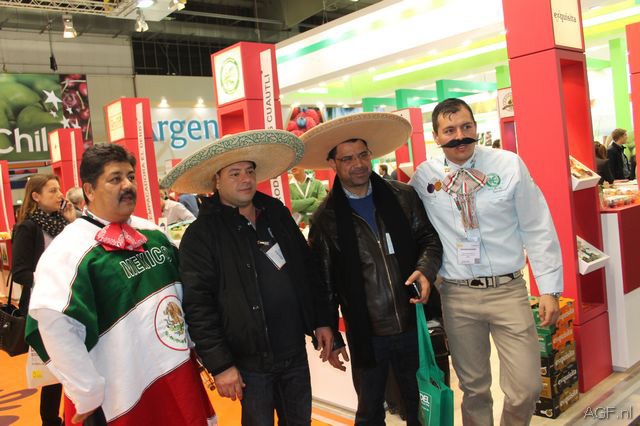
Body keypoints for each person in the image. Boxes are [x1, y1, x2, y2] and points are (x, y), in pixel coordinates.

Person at [25, 144, 216, 425]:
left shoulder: (152, 233)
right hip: (120, 394)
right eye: (115, 179)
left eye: (130, 177)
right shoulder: (69, 252)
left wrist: (197, 346)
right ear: (89, 190)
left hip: (176, 375)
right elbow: (53, 323)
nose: (127, 185)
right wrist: (86, 390)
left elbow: (185, 296)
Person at [162, 129, 334, 425]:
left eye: (250, 171)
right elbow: (198, 306)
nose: (245, 179)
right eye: (235, 173)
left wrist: (322, 320)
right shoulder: (202, 235)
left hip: (293, 352)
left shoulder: (276, 214)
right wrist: (220, 365)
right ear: (216, 180)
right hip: (248, 364)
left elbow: (307, 270)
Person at [410, 98, 563, 425]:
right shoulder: (425, 177)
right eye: (449, 130)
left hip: (508, 291)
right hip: (457, 296)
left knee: (526, 388)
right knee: (474, 389)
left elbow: (537, 226)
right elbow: (410, 225)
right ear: (436, 137)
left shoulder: (508, 165)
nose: (460, 136)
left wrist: (549, 289)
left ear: (476, 128)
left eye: (466, 126)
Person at [302, 112, 444, 426]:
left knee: (422, 406)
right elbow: (323, 283)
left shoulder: (403, 197)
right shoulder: (326, 219)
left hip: (413, 321)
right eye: (347, 158)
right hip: (367, 332)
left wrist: (425, 269)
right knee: (369, 412)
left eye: (363, 155)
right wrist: (332, 335)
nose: (358, 164)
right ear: (333, 164)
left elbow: (429, 240)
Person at [12, 174, 76, 426]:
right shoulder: (27, 228)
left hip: (72, 301)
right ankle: (50, 421)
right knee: (53, 369)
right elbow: (20, 272)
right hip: (45, 307)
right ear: (36, 196)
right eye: (52, 190)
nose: (60, 195)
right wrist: (51, 279)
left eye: (59, 189)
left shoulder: (63, 223)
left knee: (73, 361)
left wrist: (72, 222)